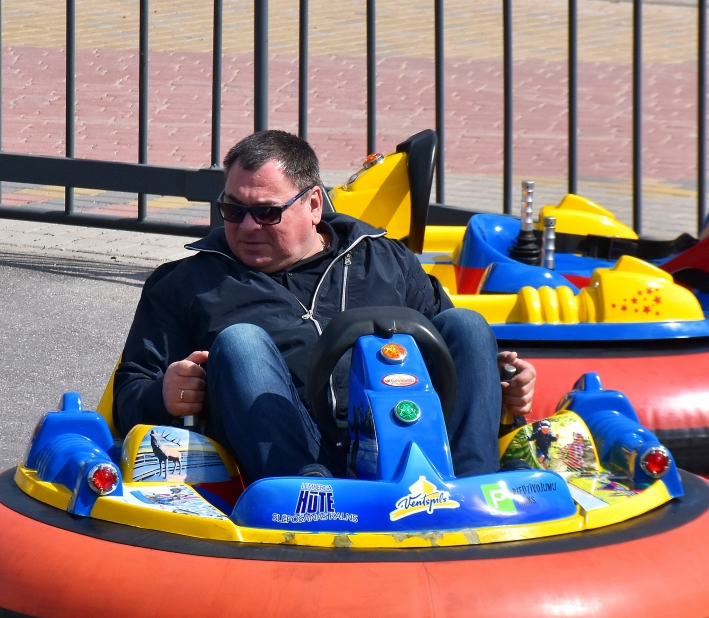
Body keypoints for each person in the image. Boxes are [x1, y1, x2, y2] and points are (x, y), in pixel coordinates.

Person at [114, 130, 535, 480]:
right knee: (241, 341)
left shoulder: (384, 259)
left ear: (313, 204)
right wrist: (163, 395)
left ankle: (473, 484)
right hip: (289, 463)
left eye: (266, 213)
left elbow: (453, 356)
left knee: (466, 324)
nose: (247, 226)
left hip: (406, 441)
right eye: (233, 209)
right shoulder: (186, 284)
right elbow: (128, 395)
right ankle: (308, 492)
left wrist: (504, 386)